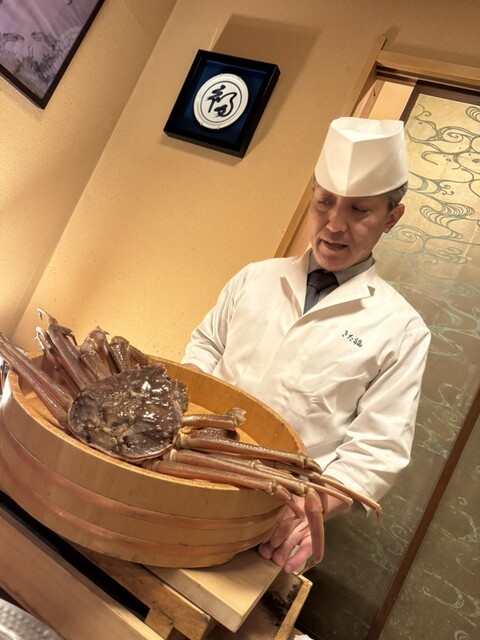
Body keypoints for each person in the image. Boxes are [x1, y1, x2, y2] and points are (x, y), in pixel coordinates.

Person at [181, 117, 431, 574]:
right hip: (189, 470)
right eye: (325, 202)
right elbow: (205, 349)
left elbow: (377, 449)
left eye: (359, 210)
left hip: (277, 517)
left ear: (392, 218)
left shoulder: (402, 329)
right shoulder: (256, 278)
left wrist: (309, 509)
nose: (334, 225)